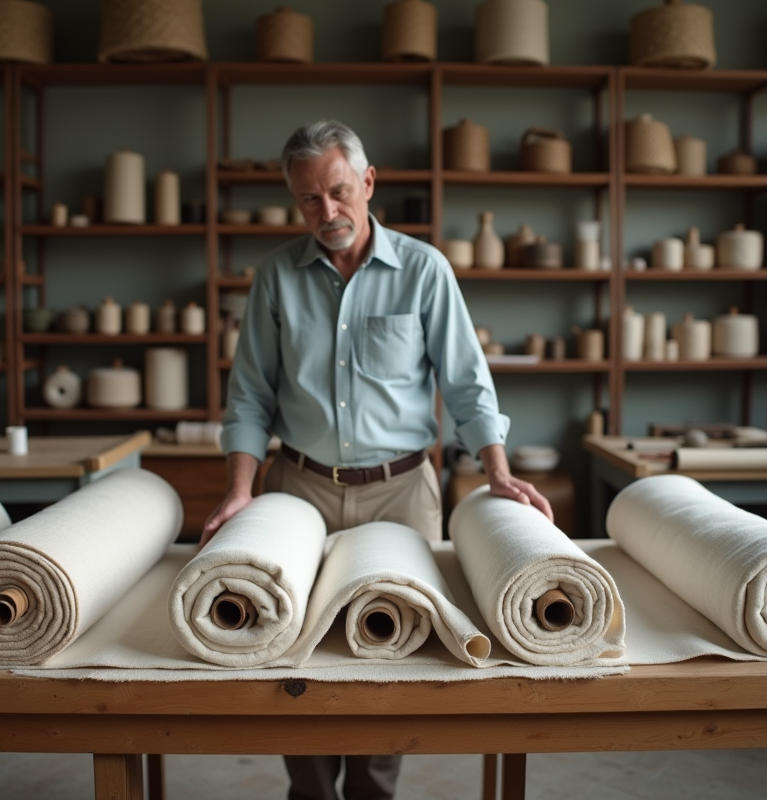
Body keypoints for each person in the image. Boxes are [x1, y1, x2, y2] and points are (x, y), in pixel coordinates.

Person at [203, 120, 552, 800]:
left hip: (402, 493)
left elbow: (466, 382)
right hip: (297, 489)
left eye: (337, 192)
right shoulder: (276, 276)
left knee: (390, 656)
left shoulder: (424, 270)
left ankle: (372, 791)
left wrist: (498, 472)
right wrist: (239, 492)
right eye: (308, 200)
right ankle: (310, 790)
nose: (326, 213)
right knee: (291, 655)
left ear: (367, 182)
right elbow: (248, 396)